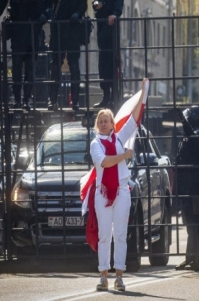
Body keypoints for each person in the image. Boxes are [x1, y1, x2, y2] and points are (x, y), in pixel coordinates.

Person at [90, 78, 148, 291]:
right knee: (105, 234)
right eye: (101, 121)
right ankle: (103, 275)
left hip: (122, 190)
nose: (104, 123)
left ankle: (120, 276)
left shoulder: (120, 138)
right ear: (98, 125)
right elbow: (104, 162)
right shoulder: (95, 144)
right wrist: (124, 155)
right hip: (103, 193)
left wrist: (143, 92)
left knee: (120, 234)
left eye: (107, 120)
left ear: (114, 124)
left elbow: (134, 118)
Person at [45, 0, 89, 111]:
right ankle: (52, 100)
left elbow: (83, 4)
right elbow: (46, 2)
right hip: (57, 30)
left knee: (74, 65)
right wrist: (48, 12)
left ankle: (75, 101)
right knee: (55, 65)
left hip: (73, 30)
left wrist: (77, 14)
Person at [174, 106, 199, 272]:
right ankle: (190, 258)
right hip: (186, 187)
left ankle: (196, 259)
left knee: (195, 224)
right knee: (190, 224)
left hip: (194, 187)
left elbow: (191, 136)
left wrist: (181, 117)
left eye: (187, 119)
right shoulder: (191, 135)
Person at [92, 0, 124, 108]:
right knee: (103, 60)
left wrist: (115, 14)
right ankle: (105, 95)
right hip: (101, 24)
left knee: (113, 60)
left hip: (112, 25)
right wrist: (96, 4)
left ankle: (113, 96)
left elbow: (119, 0)